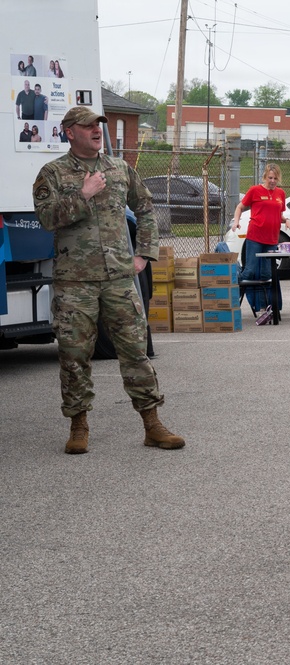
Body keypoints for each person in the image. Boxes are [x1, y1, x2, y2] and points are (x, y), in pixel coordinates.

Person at [32, 106, 186, 455]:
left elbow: (146, 209)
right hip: (75, 281)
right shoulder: (52, 173)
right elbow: (46, 218)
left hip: (118, 278)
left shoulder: (120, 169)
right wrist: (83, 194)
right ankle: (78, 425)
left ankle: (152, 424)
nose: (96, 131)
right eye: (88, 126)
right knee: (74, 355)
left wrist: (143, 254)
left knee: (135, 351)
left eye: (98, 125)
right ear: (70, 132)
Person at [231, 164, 290, 313]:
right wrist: (236, 221)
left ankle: (265, 307)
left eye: (275, 178)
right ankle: (232, 300)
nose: (272, 181)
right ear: (265, 177)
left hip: (272, 239)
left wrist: (287, 220)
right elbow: (240, 207)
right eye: (270, 178)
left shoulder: (280, 193)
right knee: (250, 271)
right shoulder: (255, 190)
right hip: (255, 236)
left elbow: (279, 215)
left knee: (267, 273)